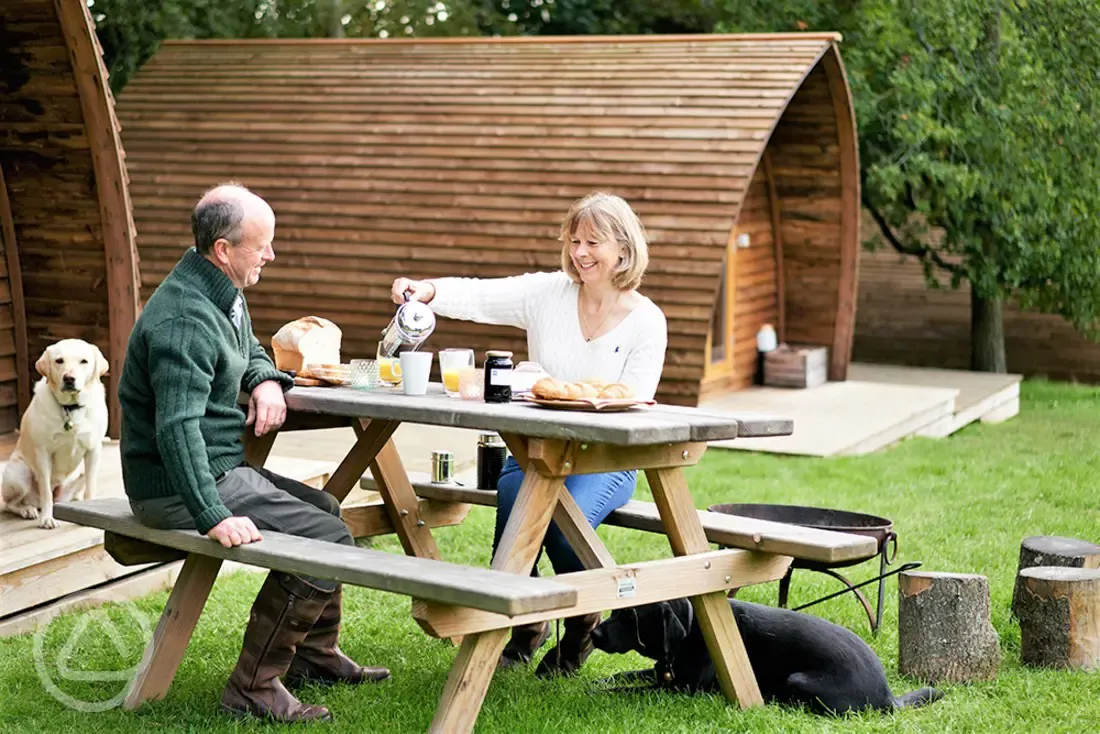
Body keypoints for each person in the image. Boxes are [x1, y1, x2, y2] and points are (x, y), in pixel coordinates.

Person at [118, 182, 389, 723]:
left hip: (218, 468)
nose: (271, 254)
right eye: (262, 245)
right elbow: (176, 430)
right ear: (224, 249)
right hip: (177, 486)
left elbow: (249, 349)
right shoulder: (184, 321)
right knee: (328, 537)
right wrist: (213, 515)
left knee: (326, 513)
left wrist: (265, 379)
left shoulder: (221, 291)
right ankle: (253, 687)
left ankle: (313, 655)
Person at [391, 191, 668, 677]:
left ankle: (582, 627)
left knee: (565, 529)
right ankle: (525, 626)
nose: (580, 253)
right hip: (535, 450)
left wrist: (570, 394)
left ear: (624, 249)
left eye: (593, 242)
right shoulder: (548, 294)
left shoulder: (646, 319)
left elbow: (636, 400)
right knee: (515, 505)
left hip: (605, 458)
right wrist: (428, 290)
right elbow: (480, 295)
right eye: (575, 240)